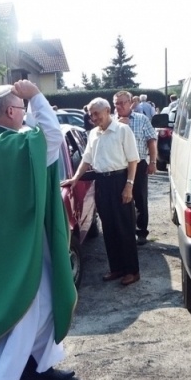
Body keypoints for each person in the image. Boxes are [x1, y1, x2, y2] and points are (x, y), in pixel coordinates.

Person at [0, 80, 77, 380]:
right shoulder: (8, 147)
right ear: (11, 111)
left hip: (14, 244)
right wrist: (36, 95)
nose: (25, 114)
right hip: (17, 251)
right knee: (25, 314)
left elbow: (40, 139)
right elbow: (51, 136)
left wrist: (32, 102)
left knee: (44, 305)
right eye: (22, 108)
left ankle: (39, 363)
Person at [62, 98, 141, 286]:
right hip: (102, 183)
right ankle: (116, 268)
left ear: (107, 110)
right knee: (109, 228)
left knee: (124, 228)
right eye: (91, 115)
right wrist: (75, 178)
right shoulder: (93, 134)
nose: (93, 118)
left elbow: (133, 160)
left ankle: (132, 271)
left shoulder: (122, 130)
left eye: (96, 113)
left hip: (120, 181)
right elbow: (86, 159)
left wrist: (129, 185)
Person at [113, 91, 158, 245]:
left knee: (140, 198)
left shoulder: (141, 119)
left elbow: (151, 140)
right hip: (118, 166)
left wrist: (153, 162)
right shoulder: (111, 122)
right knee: (121, 199)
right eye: (116, 103)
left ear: (130, 103)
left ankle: (141, 232)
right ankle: (125, 231)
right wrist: (119, 126)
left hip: (139, 164)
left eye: (123, 103)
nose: (119, 106)